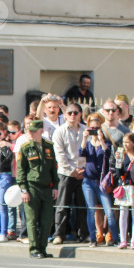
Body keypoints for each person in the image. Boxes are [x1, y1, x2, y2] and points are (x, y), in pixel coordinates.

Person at [17, 120, 59, 258]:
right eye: (29, 130)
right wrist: (23, 189)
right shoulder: (25, 148)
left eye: (33, 131)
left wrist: (55, 186)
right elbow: (21, 170)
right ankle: (34, 249)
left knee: (47, 220)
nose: (30, 133)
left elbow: (53, 168)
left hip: (46, 188)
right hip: (32, 187)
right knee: (31, 220)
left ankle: (43, 248)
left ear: (41, 131)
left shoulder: (49, 146)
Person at [51, 103, 88, 245]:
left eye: (76, 113)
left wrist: (83, 170)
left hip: (82, 172)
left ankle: (83, 234)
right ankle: (59, 234)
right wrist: (72, 171)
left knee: (81, 206)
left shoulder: (85, 130)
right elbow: (59, 155)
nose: (73, 115)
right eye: (70, 113)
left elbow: (88, 152)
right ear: (65, 115)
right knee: (62, 206)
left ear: (80, 114)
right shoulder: (60, 131)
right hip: (66, 173)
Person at [80, 113, 118, 247]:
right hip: (88, 181)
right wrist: (85, 138)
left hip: (101, 181)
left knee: (109, 210)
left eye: (96, 128)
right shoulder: (88, 143)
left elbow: (108, 154)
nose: (94, 130)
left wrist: (101, 140)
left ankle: (114, 237)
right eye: (92, 128)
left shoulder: (106, 142)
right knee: (91, 210)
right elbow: (81, 153)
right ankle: (93, 238)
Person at [114, 132, 134, 249]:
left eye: (128, 142)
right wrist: (118, 162)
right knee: (123, 213)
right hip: (125, 187)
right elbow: (118, 173)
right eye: (124, 142)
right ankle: (123, 240)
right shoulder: (122, 155)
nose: (125, 145)